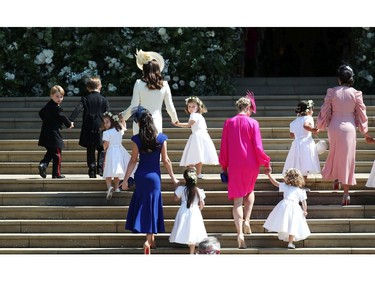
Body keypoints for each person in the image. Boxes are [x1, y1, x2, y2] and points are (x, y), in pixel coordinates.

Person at [121, 106, 179, 254]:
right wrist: (174, 179)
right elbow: (166, 160)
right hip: (154, 177)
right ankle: (148, 240)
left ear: (139, 123)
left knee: (144, 205)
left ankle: (151, 240)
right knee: (152, 206)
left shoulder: (136, 139)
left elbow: (133, 161)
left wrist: (126, 179)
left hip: (141, 175)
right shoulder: (161, 138)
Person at [219, 91, 271, 249]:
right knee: (250, 191)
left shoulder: (229, 122)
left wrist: (224, 165)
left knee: (237, 201)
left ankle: (239, 232)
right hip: (251, 163)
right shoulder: (253, 123)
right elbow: (257, 146)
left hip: (235, 164)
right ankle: (247, 221)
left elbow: (224, 147)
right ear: (248, 107)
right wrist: (265, 162)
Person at [317, 64, 372, 205]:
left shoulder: (332, 91)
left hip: (334, 126)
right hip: (349, 128)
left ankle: (336, 179)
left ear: (339, 79)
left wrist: (320, 125)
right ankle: (346, 194)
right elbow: (361, 113)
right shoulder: (356, 93)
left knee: (335, 153)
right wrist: (365, 132)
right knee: (347, 157)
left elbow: (325, 109)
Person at [120, 49, 179, 135]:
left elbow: (134, 106)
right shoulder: (165, 84)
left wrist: (123, 116)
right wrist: (175, 119)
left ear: (144, 69)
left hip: (140, 123)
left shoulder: (138, 83)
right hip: (156, 123)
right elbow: (169, 107)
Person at [69, 76, 109, 178]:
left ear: (88, 88)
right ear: (100, 87)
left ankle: (92, 170)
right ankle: (100, 169)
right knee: (101, 148)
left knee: (90, 148)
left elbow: (78, 108)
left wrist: (71, 120)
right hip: (101, 126)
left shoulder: (85, 98)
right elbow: (107, 114)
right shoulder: (104, 99)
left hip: (88, 125)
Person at [263, 168, 311, 249]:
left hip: (285, 205)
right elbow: (304, 202)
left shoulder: (285, 186)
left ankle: (289, 239)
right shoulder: (301, 191)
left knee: (286, 222)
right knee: (293, 224)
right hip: (295, 207)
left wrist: (269, 175)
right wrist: (305, 210)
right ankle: (290, 242)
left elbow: (275, 183)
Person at [175, 96, 219, 179]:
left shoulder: (194, 115)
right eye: (189, 106)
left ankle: (192, 172)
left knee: (193, 154)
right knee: (199, 155)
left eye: (193, 106)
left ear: (198, 106)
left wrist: (178, 124)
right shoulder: (199, 115)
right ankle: (197, 173)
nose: (191, 108)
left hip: (197, 137)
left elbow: (189, 124)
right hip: (201, 136)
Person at [38, 85, 74, 179]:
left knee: (51, 151)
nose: (59, 99)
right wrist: (69, 124)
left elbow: (41, 113)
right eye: (57, 96)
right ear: (51, 96)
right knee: (57, 152)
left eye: (61, 96)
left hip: (45, 133)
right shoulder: (56, 108)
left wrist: (47, 120)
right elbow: (62, 117)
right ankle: (56, 173)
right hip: (53, 133)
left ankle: (43, 165)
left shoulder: (48, 105)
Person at [169, 167, 208, 254]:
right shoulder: (198, 191)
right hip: (195, 211)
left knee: (185, 227)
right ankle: (192, 251)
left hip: (184, 210)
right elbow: (202, 203)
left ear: (185, 179)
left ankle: (187, 242)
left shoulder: (182, 189)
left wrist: (176, 189)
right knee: (193, 230)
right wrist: (199, 210)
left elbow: (175, 199)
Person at [283, 100, 321, 182]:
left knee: (297, 164)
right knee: (305, 165)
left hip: (296, 144)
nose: (312, 111)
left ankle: (297, 185)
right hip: (306, 143)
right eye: (312, 109)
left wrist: (299, 135)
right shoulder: (308, 118)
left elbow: (292, 135)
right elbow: (305, 125)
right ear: (308, 110)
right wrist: (314, 130)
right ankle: (302, 185)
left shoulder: (293, 122)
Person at [101, 111, 132, 200]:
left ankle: (109, 187)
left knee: (108, 171)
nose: (105, 124)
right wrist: (122, 119)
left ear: (112, 121)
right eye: (104, 122)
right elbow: (124, 126)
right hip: (119, 151)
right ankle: (117, 187)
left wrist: (104, 149)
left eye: (107, 122)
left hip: (111, 151)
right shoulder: (119, 130)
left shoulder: (106, 133)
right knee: (117, 171)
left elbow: (106, 144)